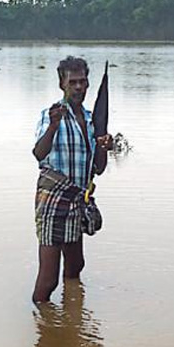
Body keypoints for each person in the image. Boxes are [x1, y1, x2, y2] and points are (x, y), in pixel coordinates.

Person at [31, 56, 113, 303]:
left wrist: (104, 147)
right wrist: (53, 126)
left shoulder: (91, 120)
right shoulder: (51, 114)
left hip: (78, 198)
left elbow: (98, 169)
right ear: (62, 84)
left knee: (76, 266)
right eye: (73, 82)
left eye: (83, 82)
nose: (78, 87)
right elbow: (38, 153)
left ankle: (72, 315)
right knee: (48, 280)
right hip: (53, 199)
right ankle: (43, 327)